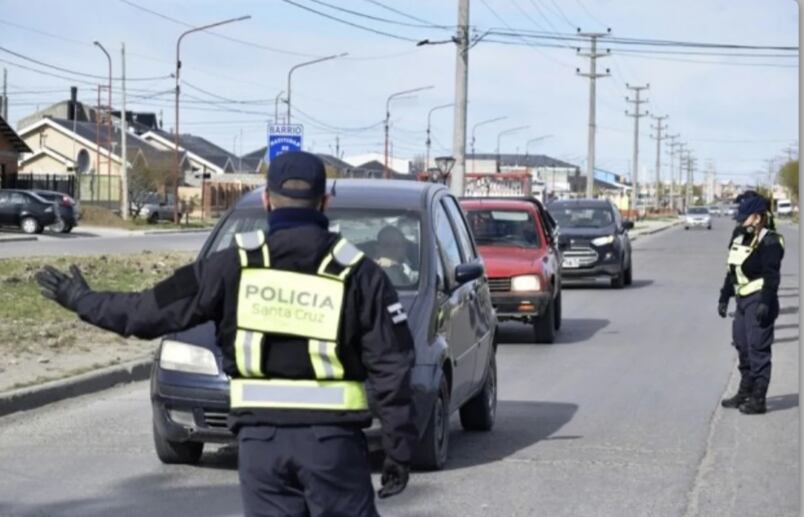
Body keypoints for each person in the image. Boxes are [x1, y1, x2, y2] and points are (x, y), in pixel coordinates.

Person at [35, 151, 417, 517]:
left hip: (260, 449)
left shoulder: (230, 266)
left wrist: (81, 300)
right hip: (333, 446)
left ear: (267, 200)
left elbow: (149, 311)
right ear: (325, 202)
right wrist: (399, 450)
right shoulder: (360, 274)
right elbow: (392, 366)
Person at [718, 191, 785, 415]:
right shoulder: (739, 236)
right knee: (742, 345)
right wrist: (724, 296)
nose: (740, 220)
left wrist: (766, 302)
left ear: (757, 217)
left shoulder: (770, 240)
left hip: (759, 299)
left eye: (745, 217)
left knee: (758, 348)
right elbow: (732, 270)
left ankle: (758, 398)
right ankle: (745, 391)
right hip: (742, 300)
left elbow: (772, 275)